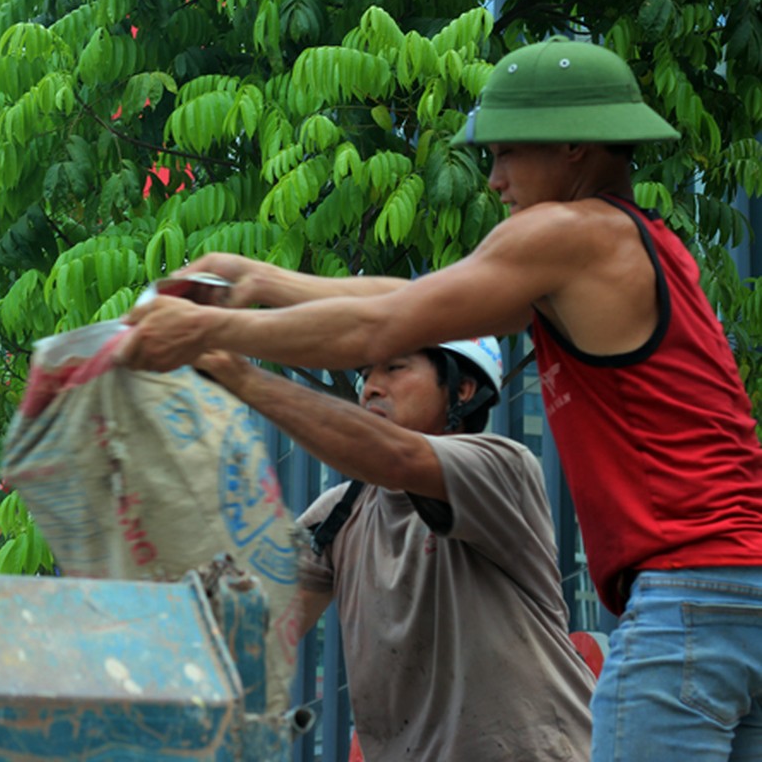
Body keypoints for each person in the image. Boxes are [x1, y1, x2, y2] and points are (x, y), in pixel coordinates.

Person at [119, 37, 762, 760]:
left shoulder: (565, 238)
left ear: (575, 145)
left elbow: (386, 327)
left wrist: (210, 334)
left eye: (506, 154)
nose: (493, 181)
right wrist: (262, 281)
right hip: (735, 591)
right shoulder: (633, 244)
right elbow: (407, 302)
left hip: (690, 595)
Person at [197, 336, 593, 760]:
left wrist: (240, 377)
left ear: (462, 390)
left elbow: (396, 459)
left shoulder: (502, 467)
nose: (371, 387)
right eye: (366, 374)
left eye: (394, 369)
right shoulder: (339, 513)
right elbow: (258, 626)